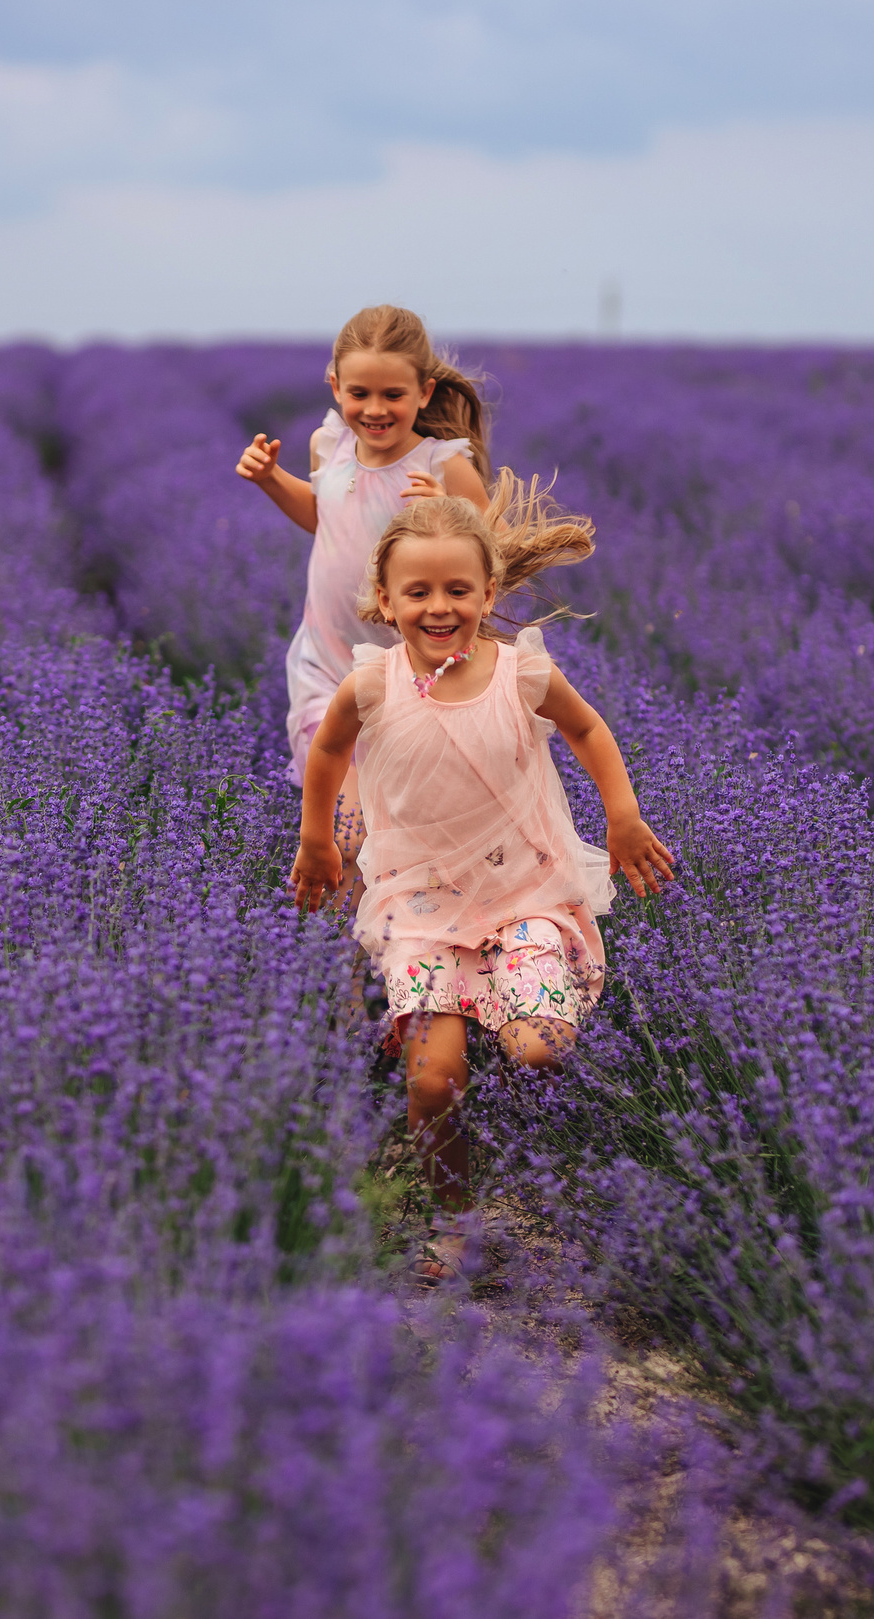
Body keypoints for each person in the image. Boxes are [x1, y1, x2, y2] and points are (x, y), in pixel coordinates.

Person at [289, 482, 675, 1283]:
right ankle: (454, 1219)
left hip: (522, 893)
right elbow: (326, 755)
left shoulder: (522, 673)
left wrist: (623, 814)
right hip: (422, 907)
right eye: (418, 591)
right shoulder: (371, 685)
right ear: (385, 601)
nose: (439, 607)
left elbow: (587, 728)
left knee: (536, 1048)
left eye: (458, 590)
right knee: (433, 1079)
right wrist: (318, 840)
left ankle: (519, 1036)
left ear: (488, 593)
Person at [235, 306, 492, 798]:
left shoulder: (442, 464)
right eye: (360, 393)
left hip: (412, 673)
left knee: (399, 818)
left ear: (425, 392)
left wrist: (453, 518)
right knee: (344, 822)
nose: (375, 409)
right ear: (335, 386)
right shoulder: (327, 445)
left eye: (393, 394)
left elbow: (491, 546)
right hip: (323, 663)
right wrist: (270, 478)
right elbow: (323, 516)